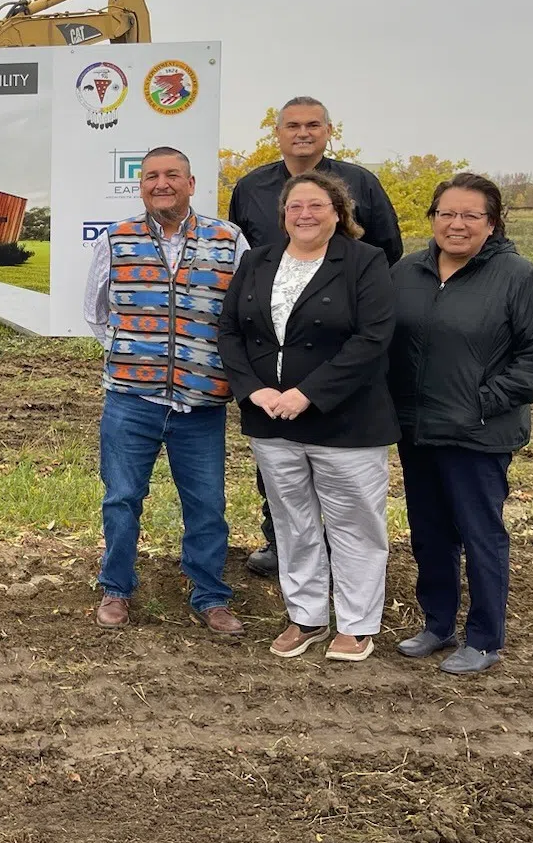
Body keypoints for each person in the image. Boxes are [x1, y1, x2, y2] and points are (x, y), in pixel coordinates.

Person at [218, 172, 399, 662]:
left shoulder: (364, 262)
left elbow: (373, 338)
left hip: (346, 422)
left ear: (338, 212)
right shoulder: (259, 260)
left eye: (316, 205)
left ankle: (357, 625)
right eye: (295, 206)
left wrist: (307, 394)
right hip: (272, 422)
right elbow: (230, 330)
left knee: (354, 525)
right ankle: (307, 617)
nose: (305, 214)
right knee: (292, 523)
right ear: (283, 215)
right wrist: (252, 391)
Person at [389, 173, 533, 674]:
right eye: (446, 213)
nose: (456, 224)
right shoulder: (406, 273)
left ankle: (485, 638)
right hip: (417, 430)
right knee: (429, 532)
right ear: (433, 218)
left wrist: (481, 402)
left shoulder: (519, 278)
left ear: (492, 223)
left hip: (478, 433)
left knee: (480, 533)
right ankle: (437, 624)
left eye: (471, 215)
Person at [228, 96, 404, 578]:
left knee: (341, 475)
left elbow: (388, 249)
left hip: (338, 337)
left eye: (312, 125)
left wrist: (359, 301)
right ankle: (278, 541)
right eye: (291, 126)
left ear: (329, 131)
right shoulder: (249, 188)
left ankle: (343, 562)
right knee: (280, 465)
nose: (301, 133)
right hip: (271, 347)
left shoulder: (361, 182)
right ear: (277, 133)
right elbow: (244, 260)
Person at [82, 146, 249, 636]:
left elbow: (242, 313)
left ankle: (211, 595)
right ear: (141, 185)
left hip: (201, 404)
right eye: (152, 176)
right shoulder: (117, 239)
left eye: (172, 175)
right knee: (122, 498)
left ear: (191, 183)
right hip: (131, 400)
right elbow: (96, 311)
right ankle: (116, 588)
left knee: (206, 504)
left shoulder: (228, 240)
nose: (162, 184)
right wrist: (132, 354)